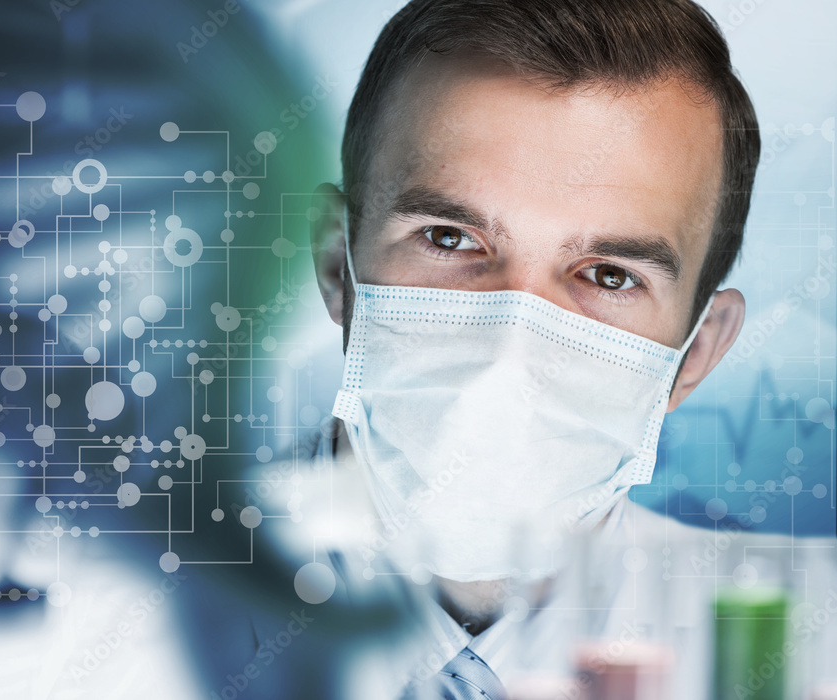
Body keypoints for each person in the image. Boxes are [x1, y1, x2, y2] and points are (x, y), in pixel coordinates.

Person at [251, 0, 837, 697]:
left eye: (610, 276)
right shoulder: (110, 617)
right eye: (448, 238)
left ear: (697, 353)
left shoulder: (809, 648)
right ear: (333, 264)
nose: (510, 348)